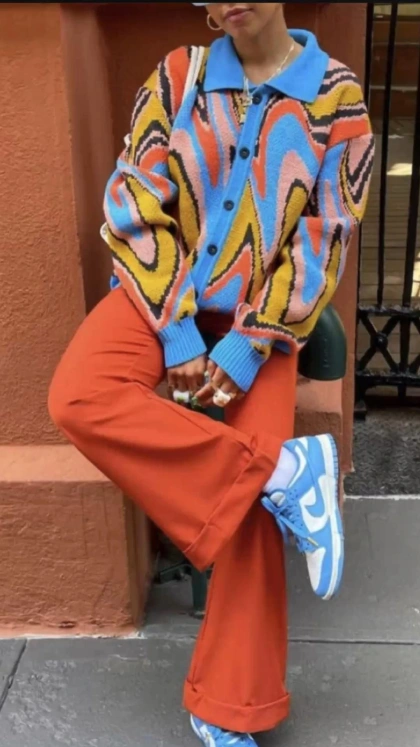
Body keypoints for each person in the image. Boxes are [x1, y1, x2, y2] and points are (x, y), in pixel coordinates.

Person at [48, 2, 374, 745]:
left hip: (263, 321)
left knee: (252, 504)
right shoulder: (176, 77)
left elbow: (322, 242)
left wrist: (246, 345)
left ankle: (229, 706)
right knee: (79, 394)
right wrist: (178, 330)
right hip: (162, 295)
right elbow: (132, 201)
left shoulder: (338, 98)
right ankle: (286, 473)